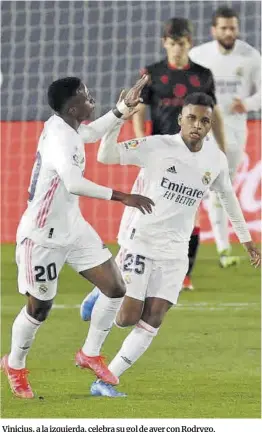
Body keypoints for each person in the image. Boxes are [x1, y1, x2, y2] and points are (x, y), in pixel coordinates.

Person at [80, 92, 260, 397]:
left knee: (156, 315)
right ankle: (101, 291)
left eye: (204, 120)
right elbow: (104, 156)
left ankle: (107, 380)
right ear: (180, 119)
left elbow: (228, 198)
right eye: (192, 118)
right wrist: (120, 117)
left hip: (176, 251)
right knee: (125, 318)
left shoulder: (214, 159)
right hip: (141, 241)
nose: (198, 125)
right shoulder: (156, 146)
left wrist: (246, 240)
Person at [1, 75, 155, 399]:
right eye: (86, 95)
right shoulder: (59, 137)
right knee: (39, 308)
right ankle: (15, 364)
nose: (91, 97)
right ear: (73, 106)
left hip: (73, 227)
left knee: (115, 288)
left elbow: (90, 132)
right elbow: (73, 182)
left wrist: (121, 110)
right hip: (41, 237)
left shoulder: (68, 126)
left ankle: (90, 353)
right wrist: (123, 196)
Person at [132, 17, 228, 290]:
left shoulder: (202, 75)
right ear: (165, 43)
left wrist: (222, 147)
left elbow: (214, 113)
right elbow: (139, 109)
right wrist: (141, 145)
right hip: (161, 151)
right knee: (152, 209)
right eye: (172, 43)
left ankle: (184, 273)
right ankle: (145, 264)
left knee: (190, 211)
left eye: (182, 44)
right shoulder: (151, 73)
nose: (177, 49)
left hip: (194, 153)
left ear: (190, 44)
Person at [189, 6, 261, 268]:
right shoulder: (198, 55)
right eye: (224, 28)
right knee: (198, 186)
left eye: (233, 27)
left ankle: (222, 249)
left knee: (223, 187)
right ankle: (219, 247)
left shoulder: (251, 56)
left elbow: (261, 92)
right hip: (200, 128)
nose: (229, 32)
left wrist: (248, 103)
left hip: (234, 130)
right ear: (214, 30)